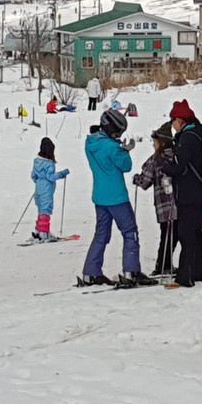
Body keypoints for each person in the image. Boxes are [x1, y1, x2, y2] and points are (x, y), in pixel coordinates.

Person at [81, 108, 147, 286]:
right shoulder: (112, 147)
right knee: (130, 232)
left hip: (100, 197)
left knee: (101, 234)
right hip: (117, 197)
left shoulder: (90, 143)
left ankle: (90, 272)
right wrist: (125, 150)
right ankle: (131, 271)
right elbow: (126, 166)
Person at [160, 100, 202, 288]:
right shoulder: (196, 133)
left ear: (180, 120)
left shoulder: (188, 138)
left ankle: (185, 276)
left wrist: (166, 168)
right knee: (195, 232)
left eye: (173, 120)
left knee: (186, 234)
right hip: (197, 191)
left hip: (189, 193)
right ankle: (199, 272)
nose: (172, 124)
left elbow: (181, 167)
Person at [132, 121, 178, 277]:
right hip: (179, 203)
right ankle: (167, 264)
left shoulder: (155, 160)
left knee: (166, 235)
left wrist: (136, 179)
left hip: (164, 206)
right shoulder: (178, 154)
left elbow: (145, 182)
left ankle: (162, 266)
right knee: (175, 234)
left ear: (161, 142)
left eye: (155, 142)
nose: (153, 145)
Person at [31, 137, 69, 242]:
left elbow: (33, 176)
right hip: (47, 189)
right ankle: (44, 233)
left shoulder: (37, 162)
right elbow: (50, 177)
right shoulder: (49, 164)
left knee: (41, 209)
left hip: (39, 188)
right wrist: (62, 174)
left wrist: (39, 183)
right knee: (46, 210)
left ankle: (39, 230)